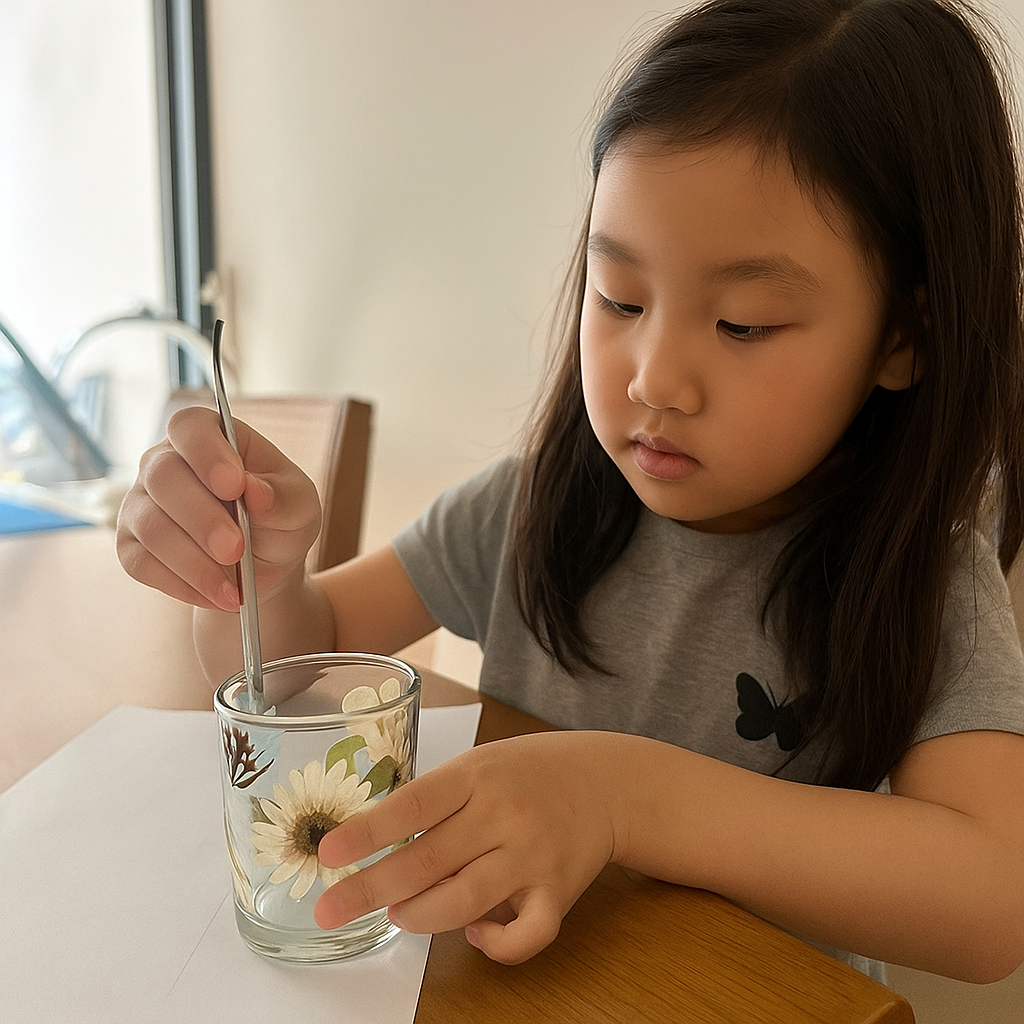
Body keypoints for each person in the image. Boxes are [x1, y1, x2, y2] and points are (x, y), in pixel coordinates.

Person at [117, 0, 1024, 984]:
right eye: (620, 298)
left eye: (745, 323)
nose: (653, 379)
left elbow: (993, 907)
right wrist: (256, 578)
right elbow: (291, 670)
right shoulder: (524, 511)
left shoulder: (925, 581)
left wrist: (625, 797)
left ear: (901, 337)